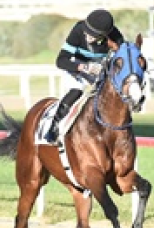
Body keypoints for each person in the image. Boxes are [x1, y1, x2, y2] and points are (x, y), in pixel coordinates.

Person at [44, 9, 124, 144]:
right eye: (87, 31)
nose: (87, 35)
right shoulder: (78, 30)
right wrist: (84, 67)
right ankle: (53, 127)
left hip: (100, 73)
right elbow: (61, 60)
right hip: (76, 70)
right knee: (77, 91)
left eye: (93, 34)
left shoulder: (115, 37)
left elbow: (122, 60)